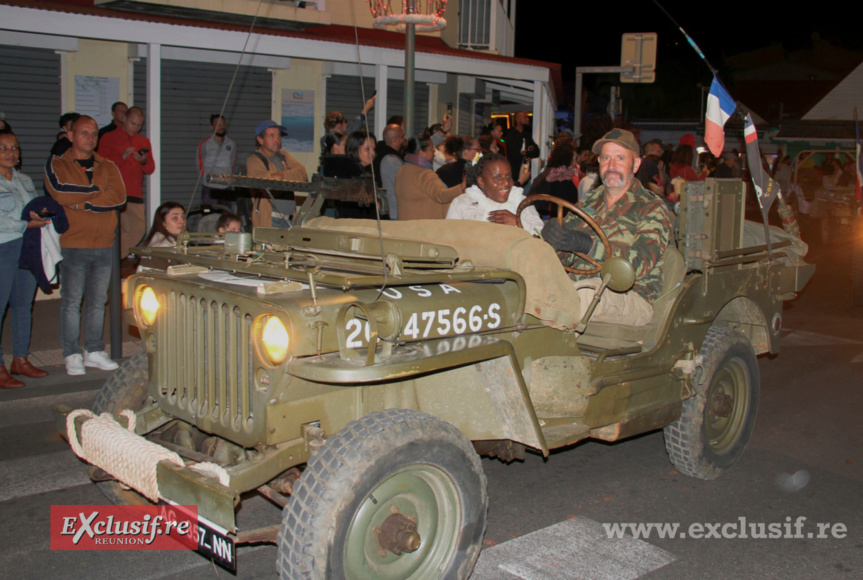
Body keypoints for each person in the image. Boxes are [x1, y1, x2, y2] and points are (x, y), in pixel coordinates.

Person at [541, 129, 673, 326]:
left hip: (631, 295)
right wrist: (554, 238)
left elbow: (640, 265)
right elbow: (564, 256)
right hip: (580, 285)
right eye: (605, 158)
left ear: (635, 164)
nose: (611, 166)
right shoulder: (588, 203)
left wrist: (590, 246)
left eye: (620, 158)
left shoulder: (651, 208)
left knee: (580, 296)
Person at [44, 116, 126, 375]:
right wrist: (96, 191)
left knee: (97, 300)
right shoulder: (58, 163)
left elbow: (119, 196)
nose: (90, 138)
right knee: (71, 301)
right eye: (83, 133)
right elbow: (59, 192)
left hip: (104, 244)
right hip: (74, 243)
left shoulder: (108, 165)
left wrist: (83, 203)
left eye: (93, 133)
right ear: (70, 135)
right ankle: (71, 353)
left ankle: (93, 350)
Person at [0, 129, 51, 388]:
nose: (11, 153)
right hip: (3, 247)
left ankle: (20, 359)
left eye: (15, 148)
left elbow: (33, 208)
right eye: (4, 148)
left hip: (27, 247)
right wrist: (24, 224)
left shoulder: (25, 180)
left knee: (22, 306)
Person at [97, 106, 155, 260]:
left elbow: (150, 169)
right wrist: (121, 157)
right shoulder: (108, 137)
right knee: (111, 231)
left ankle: (110, 260)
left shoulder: (143, 141)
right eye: (132, 123)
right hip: (113, 193)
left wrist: (143, 161)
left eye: (139, 125)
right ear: (124, 119)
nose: (135, 128)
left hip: (134, 194)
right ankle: (109, 262)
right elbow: (100, 165)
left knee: (138, 230)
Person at [446, 152, 543, 236]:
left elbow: (541, 236)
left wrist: (518, 223)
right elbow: (448, 238)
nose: (506, 183)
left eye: (508, 176)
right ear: (481, 181)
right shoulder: (463, 203)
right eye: (498, 178)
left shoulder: (521, 202)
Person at [245, 120, 309, 228]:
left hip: (289, 220)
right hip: (270, 220)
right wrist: (290, 174)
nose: (277, 140)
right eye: (271, 136)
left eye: (278, 136)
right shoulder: (254, 160)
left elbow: (303, 174)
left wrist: (283, 175)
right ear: (260, 140)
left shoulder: (284, 155)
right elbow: (270, 186)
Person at [394, 135, 463, 220]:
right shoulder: (424, 174)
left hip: (407, 227)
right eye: (432, 149)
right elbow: (441, 195)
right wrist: (463, 187)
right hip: (424, 229)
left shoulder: (403, 170)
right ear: (422, 152)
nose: (434, 153)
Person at [529, 142, 580, 217]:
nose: (576, 162)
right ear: (569, 159)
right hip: (551, 220)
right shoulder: (562, 179)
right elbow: (565, 209)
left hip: (537, 214)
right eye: (575, 159)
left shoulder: (549, 173)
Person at [197, 114, 236, 206]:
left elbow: (232, 162)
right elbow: (199, 164)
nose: (221, 126)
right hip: (210, 188)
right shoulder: (205, 144)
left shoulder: (231, 143)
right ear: (212, 127)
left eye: (223, 124)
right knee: (210, 216)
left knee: (226, 217)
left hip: (226, 187)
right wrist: (207, 181)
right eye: (218, 124)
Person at [374, 124, 406, 219]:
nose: (404, 138)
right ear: (395, 140)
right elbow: (401, 186)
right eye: (402, 135)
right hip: (393, 211)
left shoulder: (380, 154)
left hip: (387, 210)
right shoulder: (392, 160)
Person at [503, 111, 539, 179]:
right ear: (518, 119)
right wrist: (527, 152)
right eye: (525, 117)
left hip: (525, 172)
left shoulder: (526, 135)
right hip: (514, 173)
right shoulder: (511, 135)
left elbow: (536, 151)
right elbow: (514, 154)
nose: (527, 119)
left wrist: (526, 153)